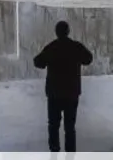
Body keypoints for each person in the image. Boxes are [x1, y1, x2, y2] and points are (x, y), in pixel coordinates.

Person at [33, 21, 94, 152]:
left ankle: (54, 152)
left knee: (53, 125)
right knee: (70, 127)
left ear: (56, 32)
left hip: (54, 94)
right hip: (72, 93)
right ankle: (70, 155)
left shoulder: (51, 47)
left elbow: (37, 62)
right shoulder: (76, 47)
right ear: (68, 31)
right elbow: (88, 59)